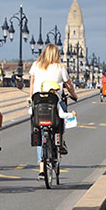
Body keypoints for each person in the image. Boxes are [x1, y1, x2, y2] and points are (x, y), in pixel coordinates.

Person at [29, 43, 77, 180]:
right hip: (54, 101)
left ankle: (41, 169)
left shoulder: (35, 65)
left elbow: (32, 84)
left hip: (38, 102)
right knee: (60, 117)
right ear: (57, 55)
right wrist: (74, 95)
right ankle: (59, 140)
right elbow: (69, 85)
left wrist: (30, 97)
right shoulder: (61, 67)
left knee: (38, 130)